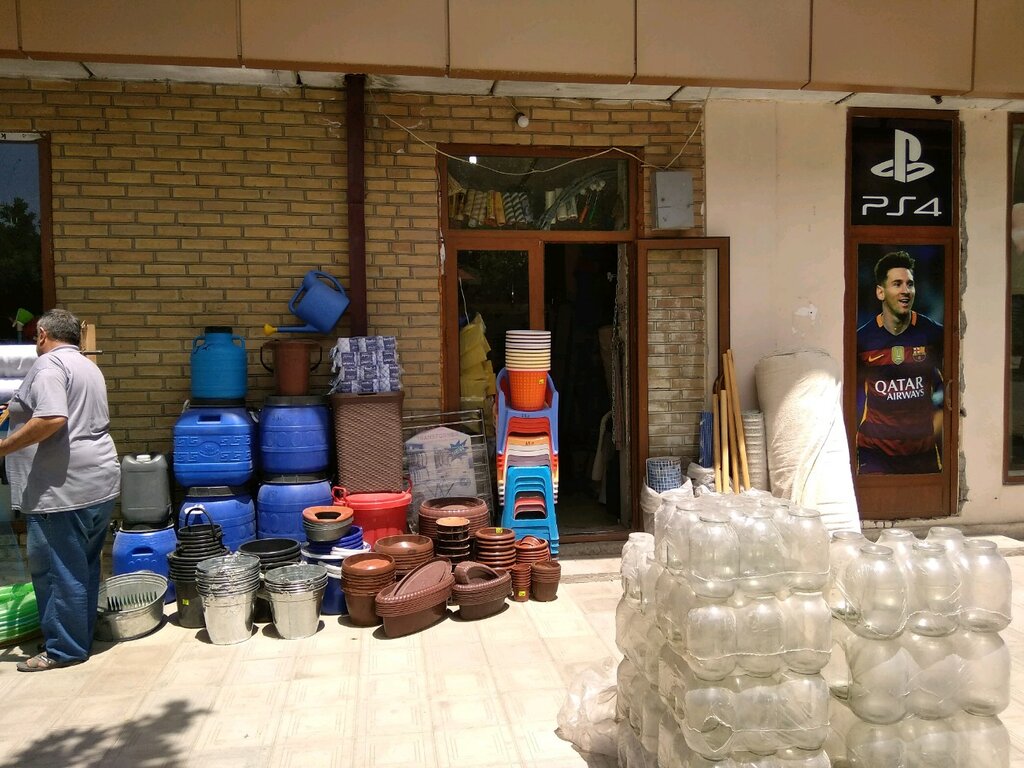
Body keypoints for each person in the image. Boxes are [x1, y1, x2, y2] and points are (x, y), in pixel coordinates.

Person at [0, 309, 119, 671]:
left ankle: (64, 649)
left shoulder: (49, 365)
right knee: (82, 566)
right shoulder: (86, 366)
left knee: (56, 571)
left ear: (42, 335)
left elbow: (52, 417)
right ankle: (79, 635)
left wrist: (3, 447)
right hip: (98, 483)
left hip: (62, 491)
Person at [856, 251, 944, 474]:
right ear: (880, 292)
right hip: (874, 452)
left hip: (921, 452)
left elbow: (952, 381)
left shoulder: (934, 334)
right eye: (897, 284)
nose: (905, 290)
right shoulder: (862, 340)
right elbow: (850, 394)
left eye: (910, 284)